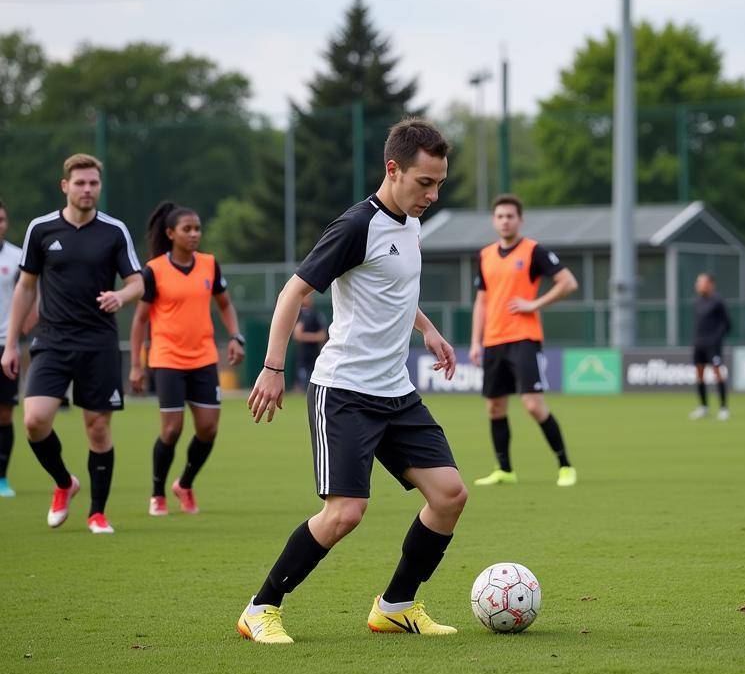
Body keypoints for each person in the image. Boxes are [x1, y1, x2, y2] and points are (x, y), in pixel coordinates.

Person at [237, 118, 467, 644]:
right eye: (424, 183)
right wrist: (273, 369)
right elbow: (291, 295)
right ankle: (261, 607)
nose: (432, 195)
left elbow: (394, 290)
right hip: (343, 392)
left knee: (450, 495)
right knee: (345, 514)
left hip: (396, 392)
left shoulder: (410, 224)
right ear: (393, 169)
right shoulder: (354, 227)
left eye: (439, 183)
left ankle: (396, 606)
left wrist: (428, 330)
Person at [1, 154, 144, 534]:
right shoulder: (41, 229)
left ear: (99, 186)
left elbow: (137, 282)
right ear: (65, 186)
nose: (87, 189)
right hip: (51, 340)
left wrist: (122, 297)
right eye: (79, 183)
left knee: (97, 428)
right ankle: (65, 482)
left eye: (93, 183)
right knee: (34, 421)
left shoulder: (114, 231)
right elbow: (26, 287)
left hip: (98, 342)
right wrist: (11, 344)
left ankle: (97, 512)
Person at [129, 201, 245, 516]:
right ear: (170, 233)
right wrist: (137, 366)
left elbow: (224, 304)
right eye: (187, 229)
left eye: (197, 229)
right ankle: (157, 493)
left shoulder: (209, 264)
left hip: (204, 358)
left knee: (208, 429)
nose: (194, 234)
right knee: (171, 430)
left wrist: (235, 336)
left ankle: (185, 484)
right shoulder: (154, 270)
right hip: (166, 359)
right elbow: (140, 319)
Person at [469, 194, 578, 487]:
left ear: (520, 220)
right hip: (493, 341)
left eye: (510, 216)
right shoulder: (485, 255)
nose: (505, 221)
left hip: (524, 339)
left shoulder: (533, 251)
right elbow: (481, 301)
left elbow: (568, 282)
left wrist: (535, 304)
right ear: (494, 221)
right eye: (500, 216)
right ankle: (504, 469)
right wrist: (476, 342)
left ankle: (565, 465)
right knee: (495, 407)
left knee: (533, 405)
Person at [0, 200, 32, 498]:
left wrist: (28, 325)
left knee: (5, 414)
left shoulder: (17, 256)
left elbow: (29, 292)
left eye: (1, 219)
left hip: (4, 345)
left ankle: (2, 478)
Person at [689, 272, 731, 421]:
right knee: (699, 375)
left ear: (710, 284)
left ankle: (724, 408)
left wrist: (715, 339)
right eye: (697, 282)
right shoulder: (697, 301)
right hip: (699, 343)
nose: (698, 285)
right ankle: (703, 407)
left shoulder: (718, 301)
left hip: (713, 345)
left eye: (700, 282)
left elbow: (727, 324)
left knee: (717, 374)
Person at [292, 294, 327, 391]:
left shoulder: (316, 315)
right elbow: (297, 335)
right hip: (302, 354)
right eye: (305, 296)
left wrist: (305, 336)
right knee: (302, 381)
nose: (307, 298)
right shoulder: (298, 315)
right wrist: (312, 336)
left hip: (314, 354)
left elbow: (322, 336)